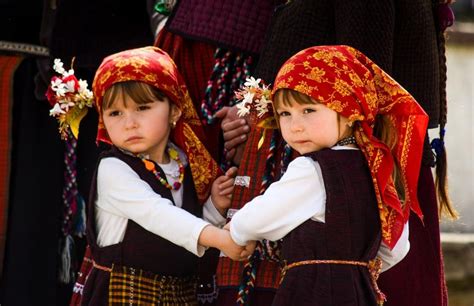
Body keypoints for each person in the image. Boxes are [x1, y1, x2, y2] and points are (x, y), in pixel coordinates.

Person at [227, 45, 429, 306]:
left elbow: (251, 222)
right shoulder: (379, 169)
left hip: (309, 293)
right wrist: (355, 271)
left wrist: (235, 232)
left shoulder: (311, 170)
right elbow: (397, 248)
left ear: (348, 111)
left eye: (308, 110)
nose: (295, 125)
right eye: (285, 114)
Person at [80, 46, 253, 305]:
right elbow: (159, 216)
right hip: (123, 296)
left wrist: (214, 208)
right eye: (115, 112)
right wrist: (220, 238)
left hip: (178, 297)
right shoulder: (113, 169)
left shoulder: (182, 161)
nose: (129, 123)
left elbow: (184, 230)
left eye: (142, 107)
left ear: (174, 110)